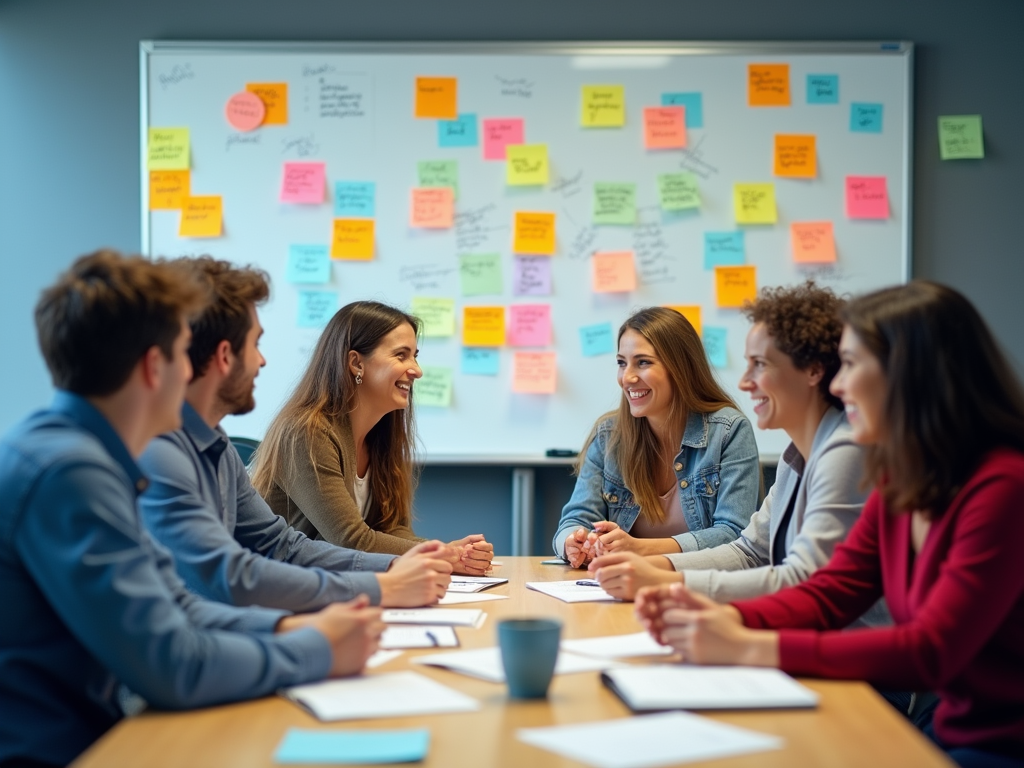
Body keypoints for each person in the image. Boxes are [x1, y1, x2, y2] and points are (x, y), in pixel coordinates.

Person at [0, 251, 384, 768]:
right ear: (153, 367)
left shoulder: (86, 455)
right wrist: (316, 652)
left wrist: (285, 631)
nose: (190, 373)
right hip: (69, 751)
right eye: (184, 352)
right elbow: (171, 663)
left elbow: (174, 602)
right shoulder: (71, 472)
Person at [636, 282, 1024, 767]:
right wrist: (723, 619)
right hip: (952, 727)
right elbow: (831, 591)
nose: (838, 386)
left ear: (911, 374)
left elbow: (931, 650)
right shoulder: (903, 480)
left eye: (853, 365)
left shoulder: (1003, 487)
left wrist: (751, 645)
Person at [139, 259, 453, 611]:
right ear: (225, 355)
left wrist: (397, 566)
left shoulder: (216, 444)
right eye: (255, 344)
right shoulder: (158, 453)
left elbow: (280, 545)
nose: (262, 361)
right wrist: (382, 587)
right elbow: (229, 578)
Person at [590, 284, 886, 632]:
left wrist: (666, 581)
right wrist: (660, 569)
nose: (745, 383)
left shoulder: (844, 450)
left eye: (759, 365)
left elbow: (803, 580)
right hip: (811, 643)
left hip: (858, 672)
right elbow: (749, 552)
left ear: (813, 370)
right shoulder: (799, 456)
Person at [251, 301, 493, 571]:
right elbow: (349, 540)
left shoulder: (381, 434)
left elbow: (390, 529)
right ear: (356, 363)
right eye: (401, 355)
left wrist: (447, 551)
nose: (416, 370)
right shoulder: (305, 432)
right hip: (282, 592)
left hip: (338, 585)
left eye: (415, 355)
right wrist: (443, 554)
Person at [553, 306, 760, 568]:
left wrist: (641, 548)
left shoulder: (729, 430)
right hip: (620, 588)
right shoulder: (608, 435)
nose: (627, 377)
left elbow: (734, 535)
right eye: (621, 363)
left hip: (699, 592)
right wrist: (572, 542)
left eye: (643, 362)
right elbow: (575, 520)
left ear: (680, 367)